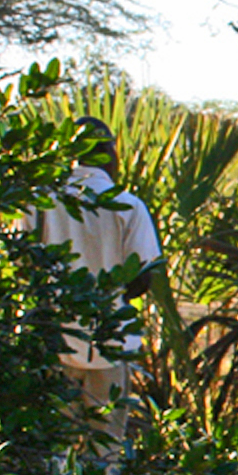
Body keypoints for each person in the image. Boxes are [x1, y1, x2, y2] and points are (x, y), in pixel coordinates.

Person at [34, 116, 163, 447]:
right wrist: (112, 296)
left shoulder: (41, 201)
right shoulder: (129, 206)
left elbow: (23, 263)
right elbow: (142, 276)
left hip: (52, 339)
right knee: (105, 448)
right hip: (110, 340)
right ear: (109, 152)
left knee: (54, 446)